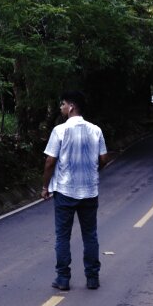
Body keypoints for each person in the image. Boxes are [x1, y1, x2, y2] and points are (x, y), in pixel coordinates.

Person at [41, 91, 109, 291]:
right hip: (89, 191)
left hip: (64, 191)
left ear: (71, 106)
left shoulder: (60, 131)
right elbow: (104, 159)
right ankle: (92, 278)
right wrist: (93, 171)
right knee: (90, 234)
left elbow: (50, 161)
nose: (60, 108)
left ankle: (63, 279)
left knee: (63, 236)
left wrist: (45, 186)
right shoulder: (96, 130)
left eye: (62, 104)